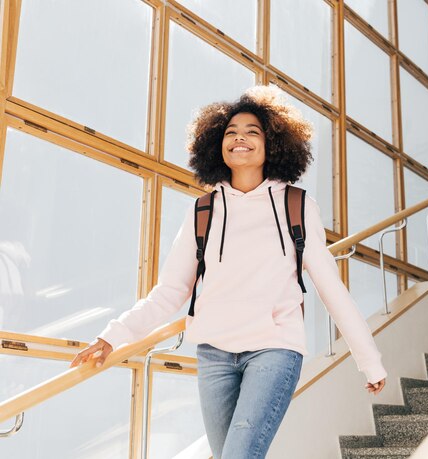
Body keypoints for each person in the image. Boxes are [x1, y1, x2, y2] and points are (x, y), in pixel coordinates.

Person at [69, 85, 387, 458]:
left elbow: (332, 290)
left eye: (253, 132)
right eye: (231, 132)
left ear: (274, 145)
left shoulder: (297, 205)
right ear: (216, 145)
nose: (240, 138)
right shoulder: (202, 211)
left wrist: (370, 361)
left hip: (274, 349)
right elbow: (170, 291)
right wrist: (113, 336)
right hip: (214, 354)